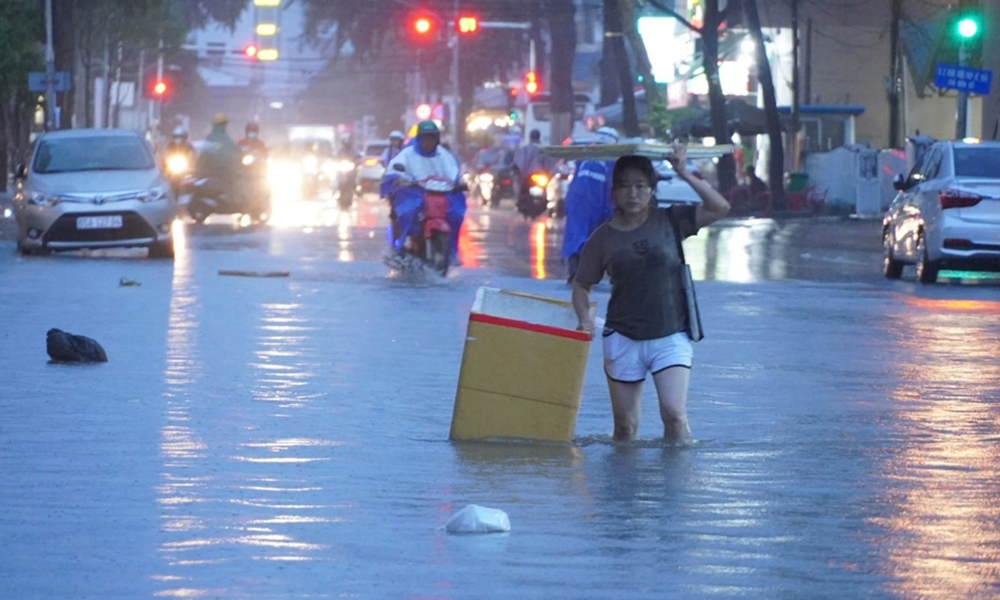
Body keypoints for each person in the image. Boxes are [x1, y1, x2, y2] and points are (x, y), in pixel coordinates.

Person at [571, 144, 731, 443]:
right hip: (622, 337)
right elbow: (581, 286)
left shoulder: (672, 220)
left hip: (670, 335)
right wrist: (584, 319)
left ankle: (673, 486)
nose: (633, 193)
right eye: (625, 186)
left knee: (674, 416)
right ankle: (626, 486)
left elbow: (719, 207)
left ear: (651, 190)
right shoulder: (601, 239)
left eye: (640, 186)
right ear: (614, 193)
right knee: (626, 430)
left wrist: (683, 171)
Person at [381, 120, 467, 260]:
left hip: (441, 194)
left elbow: (453, 172)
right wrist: (399, 178)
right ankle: (402, 245)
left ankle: (452, 251)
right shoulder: (408, 154)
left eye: (432, 137)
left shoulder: (444, 155)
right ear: (419, 138)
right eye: (426, 137)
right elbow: (395, 168)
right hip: (414, 193)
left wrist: (459, 182)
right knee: (407, 211)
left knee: (456, 213)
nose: (429, 141)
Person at [561, 127, 619, 283]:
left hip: (577, 203)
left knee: (575, 236)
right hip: (596, 204)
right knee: (593, 239)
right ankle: (585, 273)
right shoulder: (609, 160)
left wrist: (568, 203)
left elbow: (575, 183)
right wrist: (610, 209)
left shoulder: (586, 156)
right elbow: (610, 186)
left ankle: (575, 270)